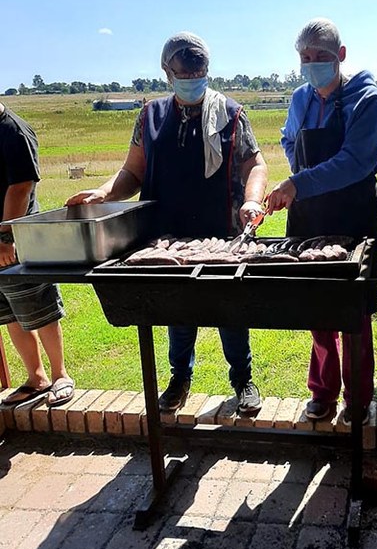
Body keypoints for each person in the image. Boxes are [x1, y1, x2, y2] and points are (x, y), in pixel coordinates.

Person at [66, 32, 268, 415]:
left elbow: (254, 164)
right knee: (178, 311)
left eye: (199, 72)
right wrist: (104, 193)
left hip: (222, 233)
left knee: (231, 310)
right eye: (184, 73)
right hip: (167, 237)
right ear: (166, 72)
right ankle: (179, 379)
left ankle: (243, 378)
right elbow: (133, 172)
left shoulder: (230, 113)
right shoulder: (150, 116)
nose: (192, 79)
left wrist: (252, 199)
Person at [267, 18, 377, 424]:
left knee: (354, 312)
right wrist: (297, 177)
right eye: (305, 57)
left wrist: (299, 183)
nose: (311, 64)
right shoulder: (300, 98)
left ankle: (358, 398)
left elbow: (355, 161)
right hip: (309, 215)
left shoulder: (366, 99)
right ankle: (323, 390)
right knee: (316, 307)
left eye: (320, 56)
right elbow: (288, 139)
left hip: (354, 212)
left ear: (341, 55)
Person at [0, 102, 75, 408]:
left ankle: (60, 375)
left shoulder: (14, 131)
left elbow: (21, 187)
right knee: (10, 313)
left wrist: (5, 237)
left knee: (38, 308)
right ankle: (36, 378)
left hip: (20, 242)